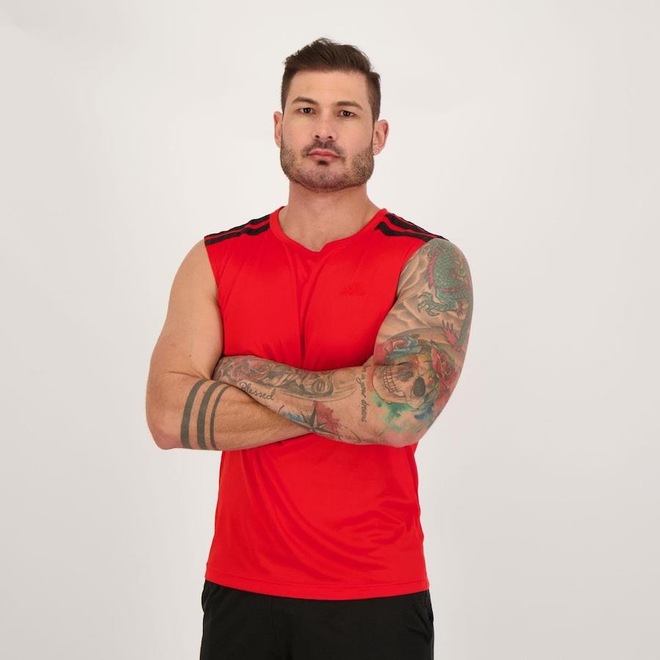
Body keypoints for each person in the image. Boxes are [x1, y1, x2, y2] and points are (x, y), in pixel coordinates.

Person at [146, 37, 472, 660]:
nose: (324, 129)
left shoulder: (428, 261)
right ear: (279, 127)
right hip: (240, 590)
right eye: (306, 110)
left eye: (346, 113)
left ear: (378, 134)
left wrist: (239, 374)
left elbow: (399, 414)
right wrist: (355, 395)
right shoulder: (215, 259)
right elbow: (166, 415)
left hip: (375, 594)